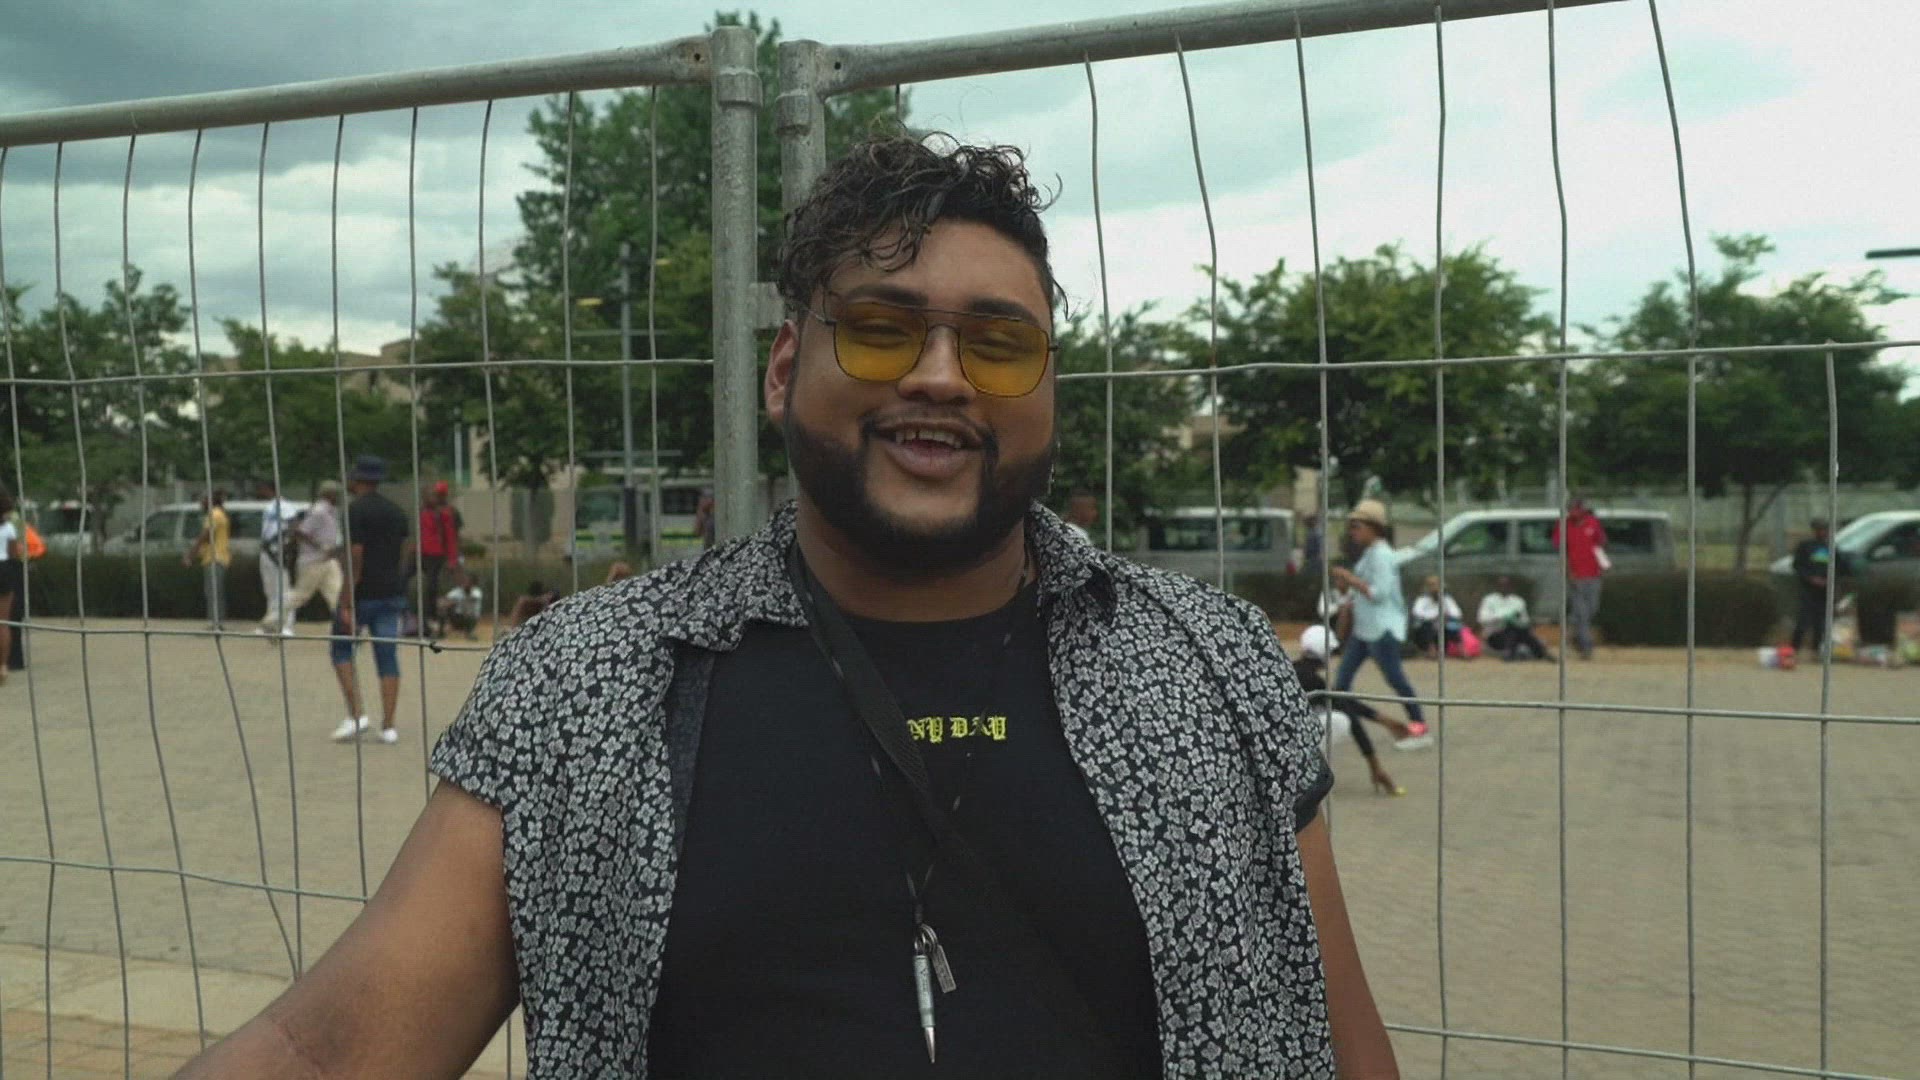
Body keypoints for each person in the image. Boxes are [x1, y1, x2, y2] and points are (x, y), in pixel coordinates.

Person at [182, 135, 1394, 1080]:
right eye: (879, 330)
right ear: (781, 370)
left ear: (1048, 389)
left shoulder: (1211, 663)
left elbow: (1335, 1040)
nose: (940, 375)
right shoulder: (586, 684)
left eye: (998, 344)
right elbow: (327, 1050)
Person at [1330, 499, 1431, 747]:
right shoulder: (1370, 554)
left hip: (1381, 629)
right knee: (1340, 686)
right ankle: (1363, 722)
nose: (1352, 532)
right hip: (1365, 629)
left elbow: (1379, 594)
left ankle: (1419, 728)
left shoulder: (1382, 556)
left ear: (1372, 528)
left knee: (1396, 680)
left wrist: (1350, 579)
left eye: (1357, 527)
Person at [329, 456, 412, 745]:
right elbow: (406, 551)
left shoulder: (355, 511)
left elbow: (356, 555)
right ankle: (388, 725)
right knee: (387, 657)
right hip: (391, 593)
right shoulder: (397, 512)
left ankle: (356, 715)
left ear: (357, 479)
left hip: (363, 594)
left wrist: (346, 600)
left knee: (341, 650)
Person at [1293, 625, 1420, 795]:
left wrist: (1384, 720)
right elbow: (1349, 714)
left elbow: (1343, 701)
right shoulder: (1312, 680)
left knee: (1328, 712)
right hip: (1287, 742)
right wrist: (1374, 763)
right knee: (1340, 721)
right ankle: (1300, 770)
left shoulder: (1293, 669)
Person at [276, 480, 345, 636]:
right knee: (301, 595)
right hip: (313, 561)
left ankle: (345, 627)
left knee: (337, 594)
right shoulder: (318, 511)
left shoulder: (331, 512)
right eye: (336, 494)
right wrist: (320, 546)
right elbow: (300, 532)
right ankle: (272, 621)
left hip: (328, 560)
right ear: (330, 495)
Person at [1551, 495, 1608, 660]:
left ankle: (1573, 636)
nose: (1572, 512)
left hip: (1594, 574)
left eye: (1575, 508)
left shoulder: (1593, 522)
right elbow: (1560, 549)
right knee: (1582, 613)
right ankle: (1586, 647)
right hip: (1576, 575)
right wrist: (1568, 571)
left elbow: (1601, 543)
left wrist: (1603, 564)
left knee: (1591, 609)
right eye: (1570, 509)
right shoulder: (1563, 525)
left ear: (1582, 509)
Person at [253, 478, 300, 637]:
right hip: (266, 551)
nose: (259, 492)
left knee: (283, 588)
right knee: (270, 590)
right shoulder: (268, 507)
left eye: (262, 488)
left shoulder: (285, 506)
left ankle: (287, 625)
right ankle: (270, 623)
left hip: (278, 552)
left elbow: (293, 525)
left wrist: (285, 544)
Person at [418, 480, 463, 637]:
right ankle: (427, 620)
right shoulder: (425, 512)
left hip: (440, 555)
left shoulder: (447, 513)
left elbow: (452, 537)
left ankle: (441, 622)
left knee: (438, 589)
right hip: (426, 554)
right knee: (429, 589)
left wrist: (453, 558)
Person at [184, 490, 231, 631]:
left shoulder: (214, 515)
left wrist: (190, 555)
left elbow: (205, 535)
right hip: (217, 557)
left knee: (213, 591)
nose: (201, 503)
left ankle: (215, 622)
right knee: (215, 591)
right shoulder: (219, 513)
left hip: (215, 557)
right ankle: (217, 621)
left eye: (203, 500)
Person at [1790, 517, 1839, 655]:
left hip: (1824, 591)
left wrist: (1828, 581)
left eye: (1825, 529)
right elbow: (1797, 566)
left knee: (1821, 623)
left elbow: (1837, 567)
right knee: (1803, 621)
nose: (1823, 532)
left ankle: (1816, 650)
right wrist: (1811, 578)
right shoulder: (1805, 546)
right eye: (1820, 529)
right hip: (1808, 590)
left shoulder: (1831, 547)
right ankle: (1794, 649)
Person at [1477, 575, 1552, 661]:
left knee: (1518, 631)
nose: (1503, 587)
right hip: (1496, 635)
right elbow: (1482, 618)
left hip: (1518, 634)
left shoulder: (1518, 601)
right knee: (1512, 631)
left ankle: (1538, 654)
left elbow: (1525, 620)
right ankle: (1539, 653)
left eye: (1506, 585)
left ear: (1510, 586)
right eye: (1501, 585)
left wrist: (1516, 620)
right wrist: (1502, 617)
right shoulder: (1488, 600)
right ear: (1497, 586)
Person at [1408, 575, 1465, 659]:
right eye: (1434, 590)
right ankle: (1432, 650)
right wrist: (1434, 617)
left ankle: (1462, 650)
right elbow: (1416, 612)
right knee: (1427, 626)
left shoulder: (1447, 599)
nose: (1436, 592)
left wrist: (1447, 616)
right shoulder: (1422, 599)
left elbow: (1457, 613)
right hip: (1426, 627)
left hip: (1444, 625)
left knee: (1453, 625)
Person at [0, 490, 22, 687]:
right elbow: (14, 554)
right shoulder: (8, 528)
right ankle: (3, 666)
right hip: (4, 569)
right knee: (4, 622)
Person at [437, 569, 483, 640]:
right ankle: (440, 633)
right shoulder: (457, 591)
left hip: (470, 619)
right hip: (458, 617)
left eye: (468, 581)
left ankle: (469, 633)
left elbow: (472, 599)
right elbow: (444, 600)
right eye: (465, 581)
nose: (465, 583)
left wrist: (454, 602)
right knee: (443, 609)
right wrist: (443, 603)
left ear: (473, 583)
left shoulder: (477, 592)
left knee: (469, 614)